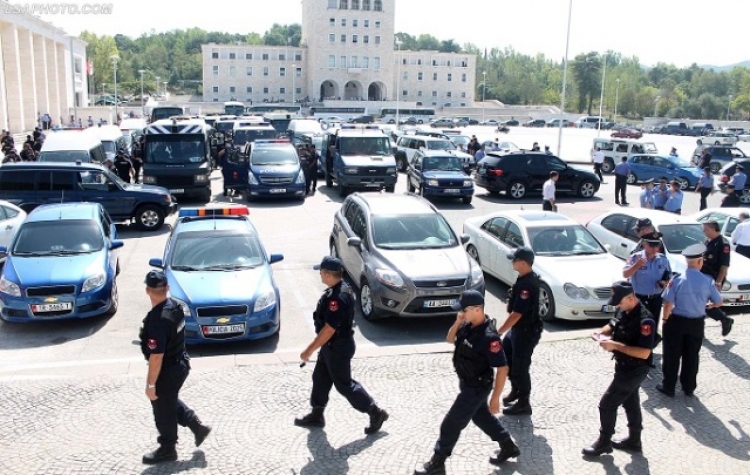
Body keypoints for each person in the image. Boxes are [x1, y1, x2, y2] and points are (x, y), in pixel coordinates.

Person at [414, 290, 520, 474]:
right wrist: (457, 322)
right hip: (467, 382)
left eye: (464, 310)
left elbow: (502, 368)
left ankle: (438, 462)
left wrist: (495, 397)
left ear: (477, 309)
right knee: (480, 417)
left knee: (450, 423)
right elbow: (449, 339)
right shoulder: (467, 325)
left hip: (477, 387)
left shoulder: (489, 337)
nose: (461, 313)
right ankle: (508, 445)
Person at [295, 256, 389, 433]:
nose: (320, 275)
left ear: (329, 275)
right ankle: (317, 414)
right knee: (320, 378)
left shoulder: (337, 298)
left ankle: (375, 412)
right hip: (331, 346)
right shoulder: (339, 289)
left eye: (321, 272)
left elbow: (329, 329)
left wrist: (309, 350)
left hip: (338, 346)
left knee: (344, 385)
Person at [138, 270, 211, 464]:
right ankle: (197, 427)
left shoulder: (158, 320)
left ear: (147, 290)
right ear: (167, 288)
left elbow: (156, 356)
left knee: (162, 408)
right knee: (168, 400)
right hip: (181, 363)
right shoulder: (176, 306)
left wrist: (150, 385)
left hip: (168, 368)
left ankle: (167, 448)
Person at [582, 281, 655, 456]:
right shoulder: (624, 309)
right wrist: (601, 333)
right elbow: (613, 324)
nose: (617, 306)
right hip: (623, 366)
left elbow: (645, 353)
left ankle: (604, 442)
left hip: (635, 369)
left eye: (619, 302)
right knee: (631, 403)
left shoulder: (645, 320)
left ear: (630, 298)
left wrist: (615, 345)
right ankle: (634, 441)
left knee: (606, 404)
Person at [658, 244, 723, 397]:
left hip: (677, 322)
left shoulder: (677, 279)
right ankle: (688, 387)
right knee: (692, 355)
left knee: (672, 355)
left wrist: (665, 319)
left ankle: (669, 386)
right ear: (701, 262)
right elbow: (719, 302)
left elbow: (668, 303)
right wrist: (709, 304)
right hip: (696, 323)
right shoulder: (707, 281)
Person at [498, 247, 543, 416]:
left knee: (521, 367)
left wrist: (500, 330)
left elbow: (517, 314)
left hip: (525, 331)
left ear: (523, 263)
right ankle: (516, 390)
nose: (512, 262)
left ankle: (524, 403)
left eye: (514, 260)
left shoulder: (527, 285)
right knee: (507, 357)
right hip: (518, 330)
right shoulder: (523, 278)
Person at [623, 231, 670, 364]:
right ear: (644, 244)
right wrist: (637, 265)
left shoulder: (663, 259)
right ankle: (634, 355)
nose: (655, 249)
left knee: (651, 328)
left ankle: (647, 357)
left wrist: (664, 282)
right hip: (639, 299)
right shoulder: (635, 257)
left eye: (657, 245)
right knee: (638, 327)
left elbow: (668, 276)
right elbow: (625, 273)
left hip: (655, 298)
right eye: (652, 245)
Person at [700, 220, 734, 336]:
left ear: (714, 229)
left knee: (704, 303)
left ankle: (724, 319)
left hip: (714, 277)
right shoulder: (708, 241)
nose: (704, 231)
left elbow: (724, 265)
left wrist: (719, 282)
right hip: (704, 277)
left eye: (706, 229)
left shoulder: (723, 244)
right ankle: (724, 320)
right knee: (702, 303)